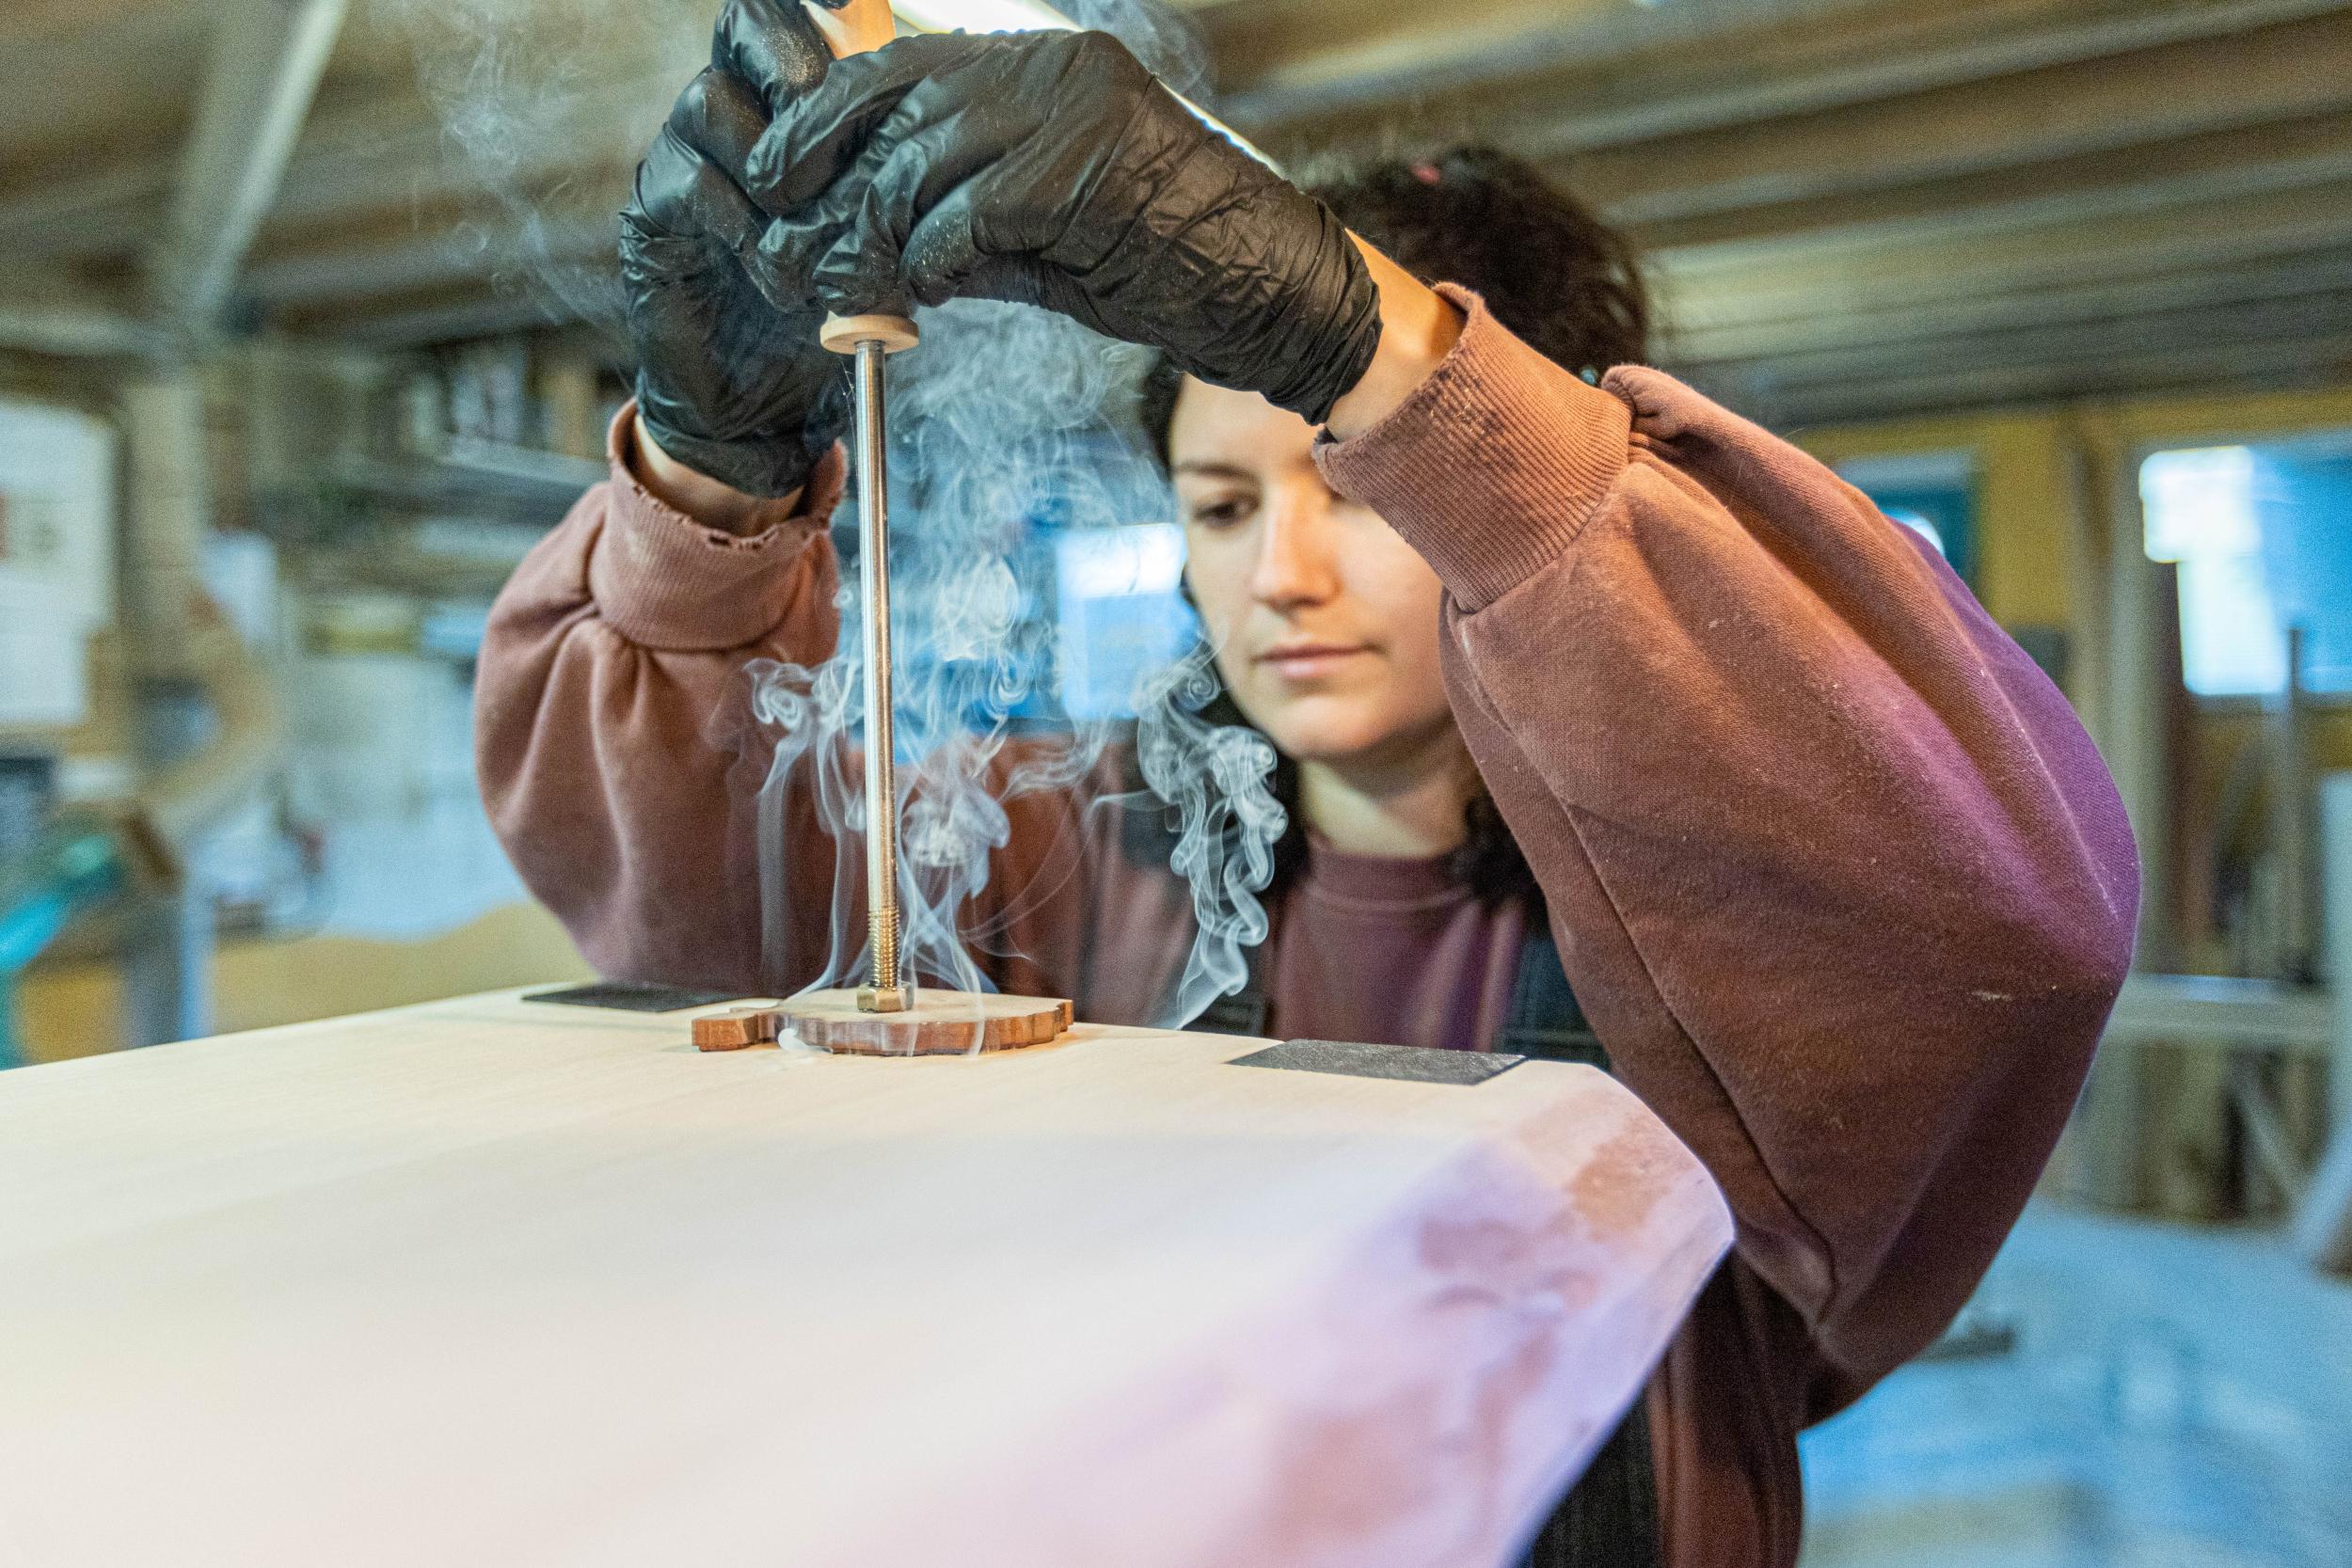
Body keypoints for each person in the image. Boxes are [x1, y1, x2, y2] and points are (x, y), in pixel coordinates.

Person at [474, 10, 2139, 1566]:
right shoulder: (1071, 852)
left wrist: (1375, 345)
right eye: (1218, 506)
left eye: (1353, 485)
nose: (1280, 573)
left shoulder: (1723, 911)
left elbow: (2000, 924)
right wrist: (708, 472)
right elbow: (690, 889)